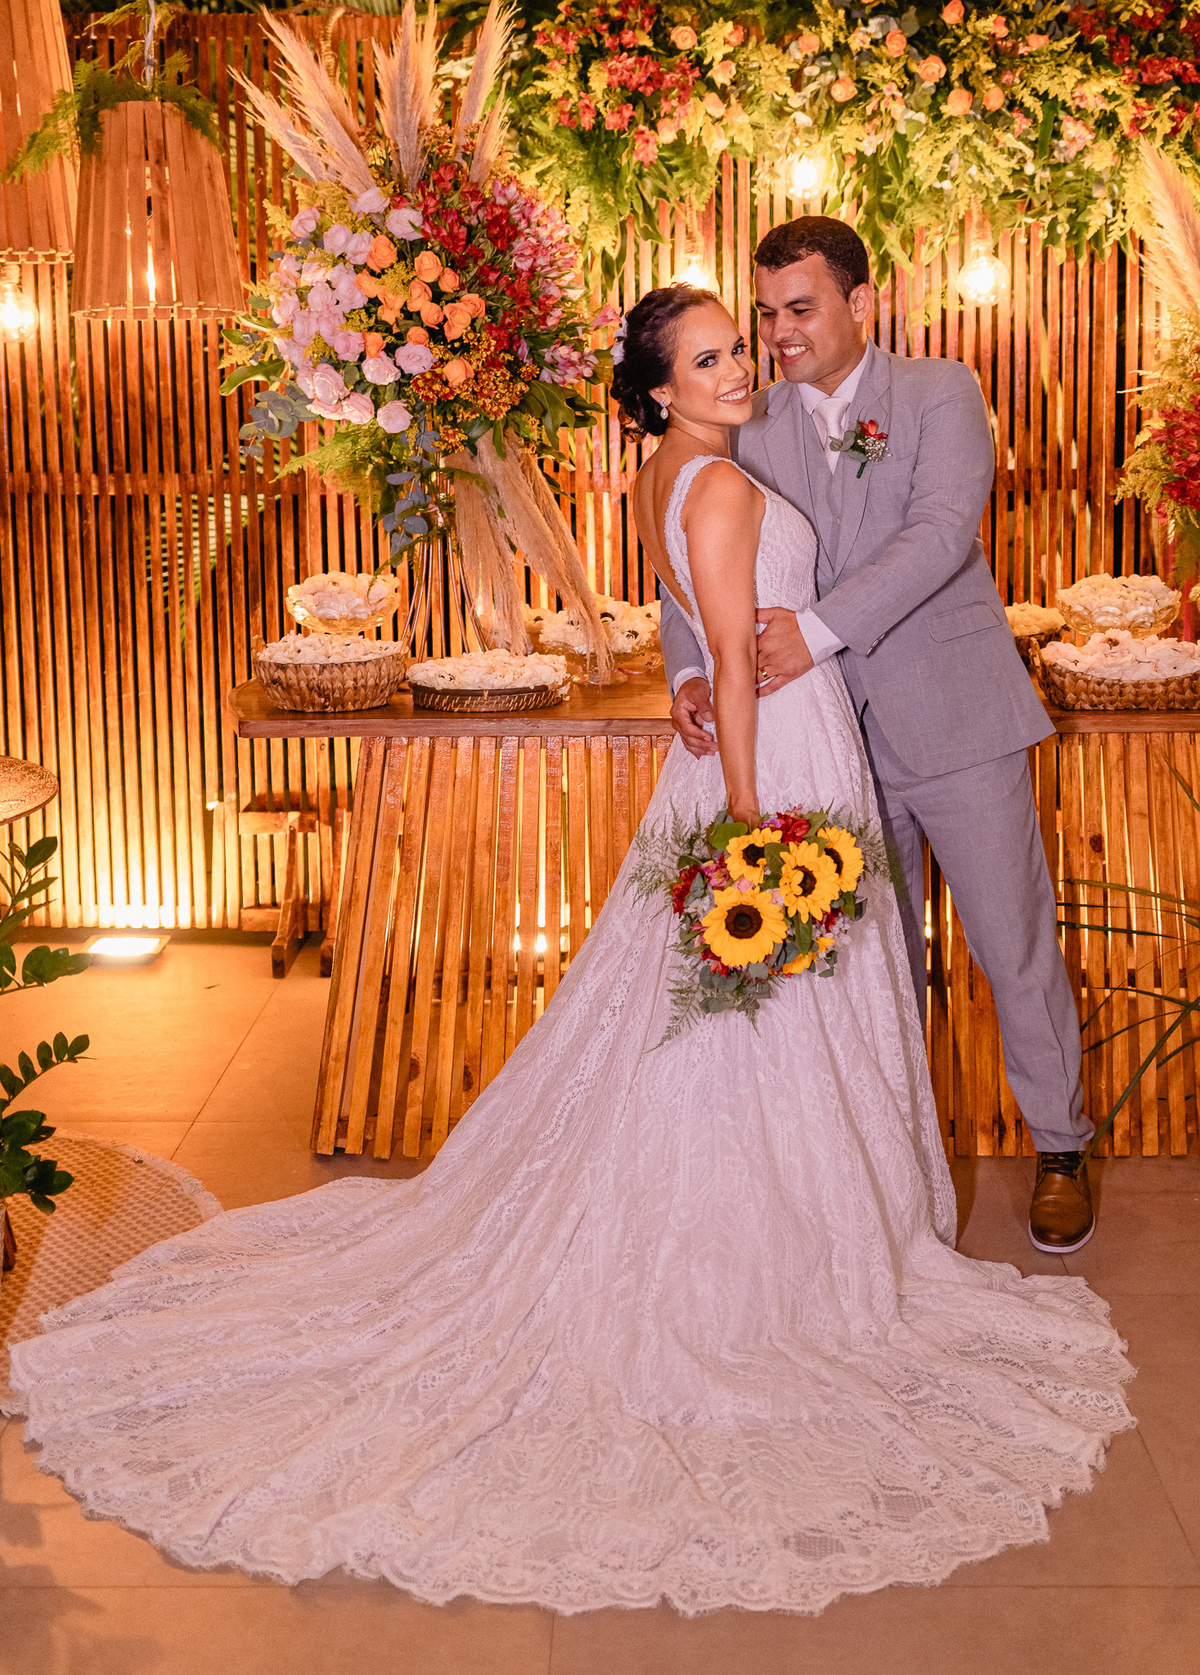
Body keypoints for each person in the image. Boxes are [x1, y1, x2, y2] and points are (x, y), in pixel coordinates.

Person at [7, 285, 1133, 1618]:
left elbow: (861, 559)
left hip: (827, 737)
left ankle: (832, 1222)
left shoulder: (708, 461)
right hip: (779, 771)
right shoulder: (722, 479)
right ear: (659, 390)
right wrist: (752, 829)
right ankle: (774, 1267)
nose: (744, 362)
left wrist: (723, 724)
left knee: (774, 1021)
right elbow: (725, 641)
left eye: (746, 341)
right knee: (781, 1023)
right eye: (712, 354)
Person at [662, 217, 1095, 1255]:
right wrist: (688, 667)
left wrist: (813, 631)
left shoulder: (940, 392)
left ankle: (1062, 1147)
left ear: (862, 303)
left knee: (1013, 944)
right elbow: (691, 547)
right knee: (871, 968)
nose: (778, 333)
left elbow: (940, 535)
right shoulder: (747, 417)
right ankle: (894, 1175)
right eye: (765, 313)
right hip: (825, 744)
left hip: (958, 717)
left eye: (800, 308)